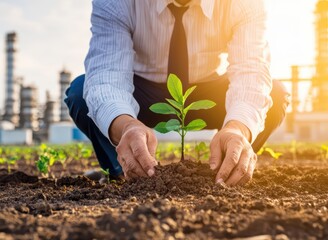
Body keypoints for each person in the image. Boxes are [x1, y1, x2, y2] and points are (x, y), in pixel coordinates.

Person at [65, 0, 290, 186]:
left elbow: (251, 71)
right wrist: (126, 125)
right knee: (80, 93)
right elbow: (107, 74)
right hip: (141, 93)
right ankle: (123, 172)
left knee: (275, 94)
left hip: (204, 92)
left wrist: (237, 127)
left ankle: (228, 167)